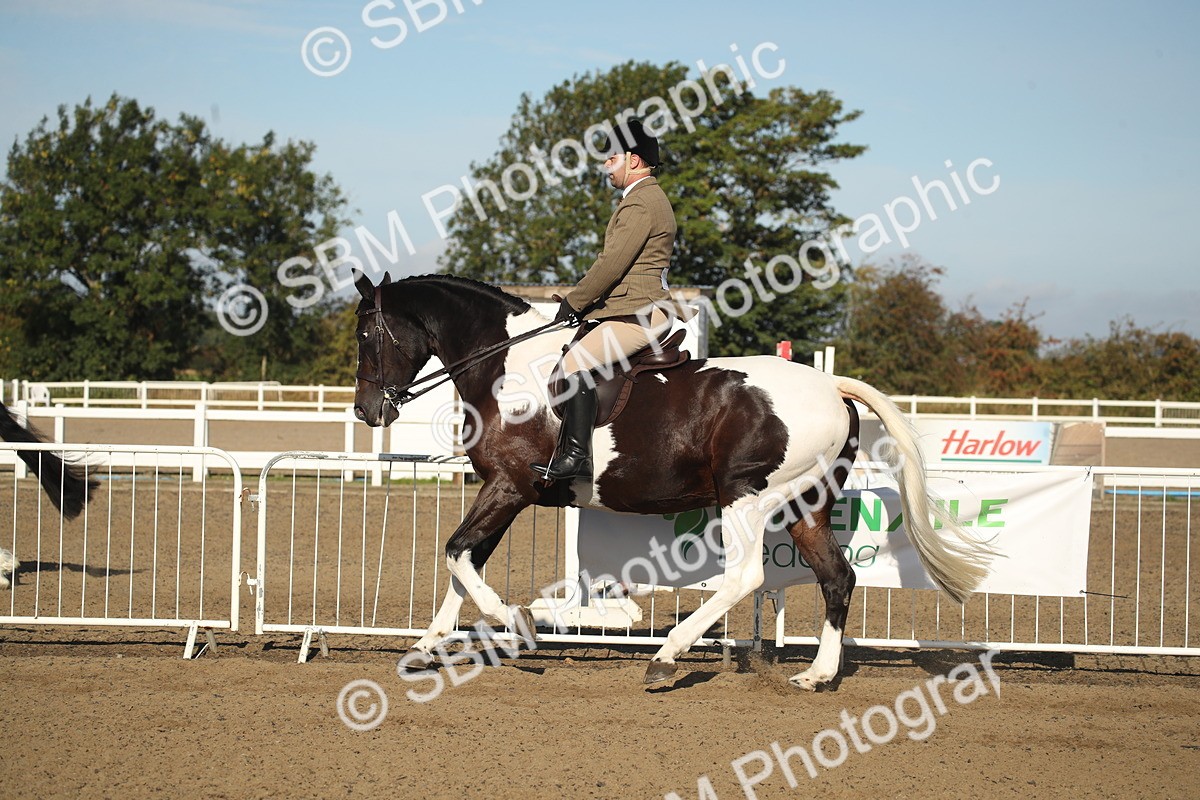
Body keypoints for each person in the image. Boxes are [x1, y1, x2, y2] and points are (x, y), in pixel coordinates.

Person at [531, 118, 690, 483]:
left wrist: (575, 301)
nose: (606, 164)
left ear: (633, 160)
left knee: (575, 364)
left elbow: (611, 265)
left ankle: (576, 457)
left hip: (641, 314)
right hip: (635, 308)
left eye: (612, 157)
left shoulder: (641, 204)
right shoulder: (646, 198)